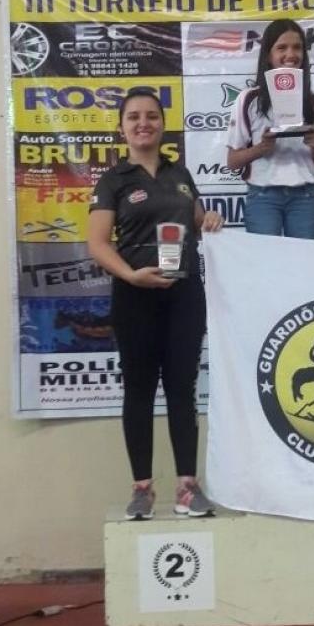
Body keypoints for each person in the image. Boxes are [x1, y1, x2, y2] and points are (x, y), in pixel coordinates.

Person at [87, 87, 224, 521]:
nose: (143, 123)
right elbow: (97, 243)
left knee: (183, 389)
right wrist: (130, 275)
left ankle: (187, 488)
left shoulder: (180, 174)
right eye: (134, 117)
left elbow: (198, 222)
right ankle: (142, 489)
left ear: (163, 125)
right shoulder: (113, 180)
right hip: (135, 296)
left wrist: (209, 219)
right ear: (122, 127)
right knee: (139, 391)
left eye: (151, 116)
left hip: (184, 296)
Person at [226, 19, 314, 238]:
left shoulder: (312, 101)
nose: (290, 54)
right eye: (282, 47)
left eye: (297, 47)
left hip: (305, 197)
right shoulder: (249, 99)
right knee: (266, 259)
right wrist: (261, 148)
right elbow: (233, 161)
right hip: (263, 196)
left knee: (302, 259)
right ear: (268, 55)